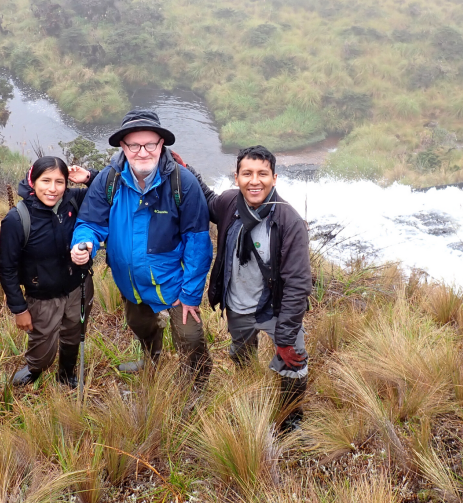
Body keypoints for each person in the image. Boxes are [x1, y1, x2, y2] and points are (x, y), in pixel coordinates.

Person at [70, 109, 213, 381]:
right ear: (123, 147)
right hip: (130, 282)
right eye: (134, 145)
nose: (142, 151)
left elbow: (198, 242)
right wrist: (83, 243)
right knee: (139, 324)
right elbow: (90, 222)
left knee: (190, 337)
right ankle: (152, 360)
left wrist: (191, 293)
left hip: (172, 280)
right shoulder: (108, 180)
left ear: (161, 145)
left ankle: (197, 382)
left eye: (150, 144)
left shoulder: (182, 182)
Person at [188, 145, 312, 433]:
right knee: (241, 354)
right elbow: (207, 200)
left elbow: (297, 283)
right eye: (247, 174)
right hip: (237, 304)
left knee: (293, 361)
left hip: (275, 308)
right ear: (236, 177)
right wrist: (185, 169)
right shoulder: (230, 203)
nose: (254, 181)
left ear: (274, 178)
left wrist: (284, 336)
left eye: (262, 174)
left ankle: (291, 418)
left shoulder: (288, 221)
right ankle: (249, 387)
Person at [0, 157, 98, 388]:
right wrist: (19, 308)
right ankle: (35, 367)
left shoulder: (74, 200)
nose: (53, 189)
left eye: (59, 182)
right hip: (42, 295)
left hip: (78, 286)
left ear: (67, 183)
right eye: (45, 181)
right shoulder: (17, 219)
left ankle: (66, 372)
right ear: (32, 181)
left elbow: (108, 192)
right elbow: (7, 268)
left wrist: (89, 177)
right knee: (42, 344)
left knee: (74, 333)